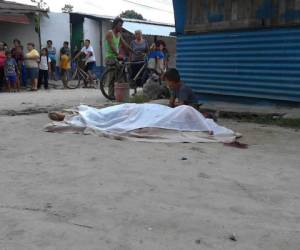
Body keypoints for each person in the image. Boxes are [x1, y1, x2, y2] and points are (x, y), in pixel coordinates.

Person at [105, 17, 133, 99]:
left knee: (121, 72)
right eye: (120, 25)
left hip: (116, 57)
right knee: (112, 77)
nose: (121, 27)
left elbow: (124, 44)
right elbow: (112, 46)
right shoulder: (110, 33)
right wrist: (118, 54)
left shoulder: (119, 34)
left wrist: (133, 51)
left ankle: (120, 92)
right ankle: (110, 95)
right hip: (110, 57)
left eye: (122, 25)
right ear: (115, 25)